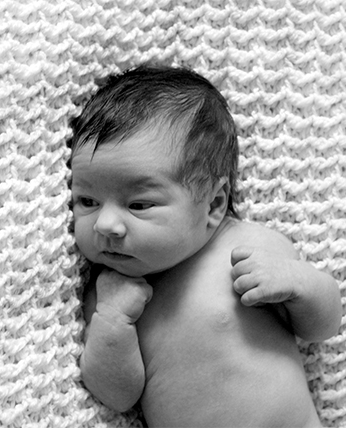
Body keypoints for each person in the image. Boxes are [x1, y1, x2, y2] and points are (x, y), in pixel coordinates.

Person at [69, 65, 342, 427]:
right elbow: (118, 396)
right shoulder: (111, 295)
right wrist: (113, 322)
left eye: (139, 205)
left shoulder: (249, 246)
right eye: (87, 201)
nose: (106, 224)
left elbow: (322, 327)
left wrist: (298, 283)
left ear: (213, 205)